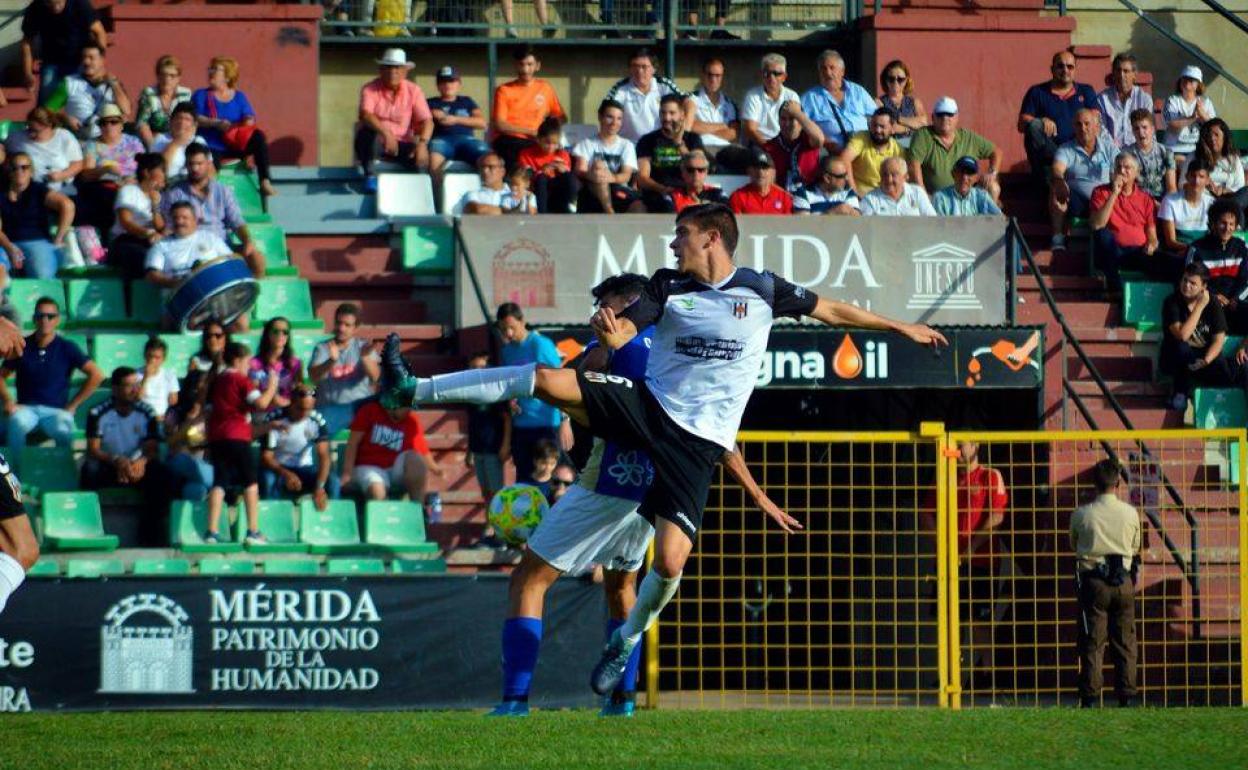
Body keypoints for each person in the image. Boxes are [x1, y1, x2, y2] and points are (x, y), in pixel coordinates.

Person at [375, 202, 947, 697]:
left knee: (671, 564)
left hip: (698, 447)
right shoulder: (668, 287)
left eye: (681, 234)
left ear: (711, 238)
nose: (672, 243)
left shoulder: (764, 289)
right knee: (547, 380)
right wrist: (615, 332)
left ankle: (623, 644)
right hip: (650, 409)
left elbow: (837, 311)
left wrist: (901, 327)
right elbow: (630, 325)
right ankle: (413, 388)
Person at [487, 272, 779, 718]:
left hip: (606, 483)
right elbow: (716, 438)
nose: (596, 313)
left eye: (604, 301)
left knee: (529, 579)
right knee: (623, 586)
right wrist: (757, 493)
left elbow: (576, 384)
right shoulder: (675, 356)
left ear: (631, 301)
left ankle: (514, 702)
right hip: (650, 495)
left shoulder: (614, 349)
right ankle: (621, 702)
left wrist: (573, 401)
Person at [1070, 458, 1141, 707]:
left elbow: (1074, 544)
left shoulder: (1081, 514)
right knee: (1125, 641)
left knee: (1093, 641)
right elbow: (1135, 546)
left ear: (1094, 483)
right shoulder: (1130, 513)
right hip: (1123, 580)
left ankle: (1090, 697)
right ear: (1118, 482)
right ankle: (1127, 697)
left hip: (1093, 581)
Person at [80, 366, 176, 546]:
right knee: (89, 469)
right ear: (115, 389)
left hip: (137, 466)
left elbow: (152, 448)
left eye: (137, 385)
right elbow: (93, 449)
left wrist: (141, 462)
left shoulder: (147, 412)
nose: (135, 389)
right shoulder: (98, 412)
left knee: (162, 474)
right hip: (110, 465)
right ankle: (87, 528)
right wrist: (117, 461)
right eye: (129, 385)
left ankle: (151, 538)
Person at [0, 297, 103, 459]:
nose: (45, 320)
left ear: (57, 320)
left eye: (50, 316)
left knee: (64, 426)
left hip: (56, 411)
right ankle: (14, 479)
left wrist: (73, 405)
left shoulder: (67, 348)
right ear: (34, 319)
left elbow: (97, 375)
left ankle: (65, 477)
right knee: (16, 423)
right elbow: (1, 376)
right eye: (40, 315)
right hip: (26, 410)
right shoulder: (23, 345)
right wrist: (8, 401)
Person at [204, 341, 276, 544]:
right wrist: (272, 386)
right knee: (250, 482)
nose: (249, 367)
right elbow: (261, 403)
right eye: (247, 362)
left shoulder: (216, 382)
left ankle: (212, 531)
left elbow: (208, 413)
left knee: (219, 482)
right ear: (237, 360)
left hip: (218, 438)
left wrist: (209, 441)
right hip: (238, 436)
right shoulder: (241, 380)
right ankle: (253, 531)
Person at [162, 145, 263, 276]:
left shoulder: (222, 191)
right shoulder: (175, 193)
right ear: (186, 165)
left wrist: (247, 241)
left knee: (256, 258)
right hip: (190, 249)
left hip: (222, 246)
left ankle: (253, 293)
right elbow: (169, 226)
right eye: (191, 164)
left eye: (199, 163)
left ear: (208, 164)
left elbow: (236, 221)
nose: (195, 168)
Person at [1160, 262, 1245, 410]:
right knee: (1182, 348)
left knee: (1236, 366)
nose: (1187, 285)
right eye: (1184, 280)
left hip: (1202, 358)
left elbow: (1219, 339)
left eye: (1193, 283)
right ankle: (1180, 392)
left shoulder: (1212, 302)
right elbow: (1182, 335)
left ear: (1204, 286)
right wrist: (1199, 307)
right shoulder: (1171, 301)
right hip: (1176, 358)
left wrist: (1206, 360)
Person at [496, 302, 564, 482]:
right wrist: (511, 400)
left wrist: (565, 421)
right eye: (504, 329)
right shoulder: (507, 351)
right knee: (524, 479)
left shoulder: (540, 344)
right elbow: (509, 386)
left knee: (547, 481)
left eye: (512, 327)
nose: (508, 333)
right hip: (521, 427)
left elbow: (560, 381)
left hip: (545, 425)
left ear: (522, 321)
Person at [192, 56, 276, 197]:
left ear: (227, 77)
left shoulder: (239, 96)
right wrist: (216, 123)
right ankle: (208, 194)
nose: (210, 72)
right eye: (210, 69)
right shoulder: (201, 95)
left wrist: (247, 120)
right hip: (212, 145)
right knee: (210, 163)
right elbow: (196, 118)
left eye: (215, 69)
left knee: (259, 137)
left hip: (235, 143)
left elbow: (249, 117)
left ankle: (264, 181)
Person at [354, 49, 433, 188]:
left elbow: (427, 121)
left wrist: (422, 144)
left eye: (397, 68)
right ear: (381, 70)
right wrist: (386, 133)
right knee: (365, 134)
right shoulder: (370, 88)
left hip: (403, 144)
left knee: (426, 155)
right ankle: (370, 175)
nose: (393, 72)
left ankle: (422, 192)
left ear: (405, 71)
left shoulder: (414, 90)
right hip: (377, 143)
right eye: (388, 67)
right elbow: (365, 114)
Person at [340, 398, 443, 503]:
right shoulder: (369, 411)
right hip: (368, 466)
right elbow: (352, 443)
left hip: (394, 468)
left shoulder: (412, 419)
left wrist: (435, 468)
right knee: (377, 490)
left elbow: (422, 449)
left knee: (415, 460)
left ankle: (418, 510)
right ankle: (383, 517)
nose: (408, 410)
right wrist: (347, 473)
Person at [1018, 50, 1098, 183]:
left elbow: (1096, 120)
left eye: (1070, 66)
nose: (1065, 70)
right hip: (1051, 153)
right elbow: (1021, 124)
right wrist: (1041, 120)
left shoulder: (1086, 91)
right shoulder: (1037, 92)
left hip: (1078, 151)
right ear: (1052, 69)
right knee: (1034, 126)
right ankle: (1052, 176)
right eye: (1060, 66)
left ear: (1075, 70)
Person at [907, 97, 1003, 203]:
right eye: (940, 114)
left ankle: (990, 219)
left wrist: (992, 173)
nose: (945, 118)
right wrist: (924, 197)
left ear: (957, 117)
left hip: (968, 196)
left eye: (949, 114)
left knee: (993, 188)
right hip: (935, 198)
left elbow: (996, 152)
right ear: (933, 117)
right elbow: (913, 166)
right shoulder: (923, 135)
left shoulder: (968, 137)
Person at [1090, 152, 1160, 292]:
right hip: (1113, 252)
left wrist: (1151, 245)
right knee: (1103, 234)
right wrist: (1114, 193)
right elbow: (1097, 224)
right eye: (1118, 167)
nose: (1122, 171)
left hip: (1138, 252)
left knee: (1166, 260)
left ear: (1136, 172)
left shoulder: (1146, 199)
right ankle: (1116, 288)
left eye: (1127, 167)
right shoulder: (1101, 192)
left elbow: (1152, 234)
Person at [260, 383, 337, 507]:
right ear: (292, 402)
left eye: (309, 409)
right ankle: (270, 517)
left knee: (333, 481)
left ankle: (331, 518)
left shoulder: (316, 420)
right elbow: (267, 457)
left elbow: (324, 456)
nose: (304, 413)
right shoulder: (275, 419)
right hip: (279, 467)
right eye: (300, 408)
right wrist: (286, 473)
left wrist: (320, 487)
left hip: (305, 467)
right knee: (268, 480)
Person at [308, 302, 380, 435]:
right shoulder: (323, 348)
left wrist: (365, 358)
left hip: (359, 409)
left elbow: (377, 378)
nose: (341, 328)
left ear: (356, 328)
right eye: (339, 323)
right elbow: (313, 377)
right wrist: (331, 361)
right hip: (329, 410)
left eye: (347, 325)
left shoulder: (363, 347)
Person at [0, 152, 75, 280]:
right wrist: (10, 248)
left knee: (42, 276)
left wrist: (59, 238)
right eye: (15, 168)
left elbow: (67, 205)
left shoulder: (38, 190)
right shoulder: (1, 193)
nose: (20, 171)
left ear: (31, 171)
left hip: (37, 241)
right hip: (6, 243)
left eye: (24, 167)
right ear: (9, 171)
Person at [1049, 108, 1115, 252]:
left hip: (1103, 202)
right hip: (1077, 201)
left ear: (1096, 127)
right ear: (1073, 127)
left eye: (1087, 124)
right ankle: (1058, 237)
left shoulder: (1110, 148)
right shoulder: (1066, 149)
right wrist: (1059, 181)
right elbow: (1057, 169)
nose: (1083, 128)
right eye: (1078, 124)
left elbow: (1118, 172)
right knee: (1056, 188)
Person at [491, 46, 565, 171]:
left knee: (562, 158)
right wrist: (531, 132)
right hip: (511, 139)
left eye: (530, 64)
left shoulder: (545, 88)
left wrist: (548, 130)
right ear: (515, 65)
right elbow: (500, 125)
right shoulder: (503, 90)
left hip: (539, 141)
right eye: (522, 64)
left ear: (537, 66)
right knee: (520, 166)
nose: (525, 70)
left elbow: (560, 116)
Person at [76, 103, 145, 234]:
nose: (109, 126)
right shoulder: (92, 145)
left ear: (121, 124)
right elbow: (85, 175)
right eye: (103, 123)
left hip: (132, 183)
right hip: (105, 187)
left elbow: (143, 166)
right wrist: (105, 169)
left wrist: (133, 181)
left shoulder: (133, 142)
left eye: (113, 122)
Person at [20, 0, 106, 104]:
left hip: (79, 62)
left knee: (80, 102)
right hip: (51, 62)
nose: (55, 8)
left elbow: (99, 32)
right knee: (46, 104)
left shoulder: (79, 4)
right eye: (50, 4)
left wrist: (99, 63)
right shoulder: (36, 8)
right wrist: (27, 72)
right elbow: (27, 43)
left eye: (58, 3)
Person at [603, 49, 696, 144]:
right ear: (629, 69)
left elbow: (689, 103)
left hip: (661, 143)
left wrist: (685, 133)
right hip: (630, 146)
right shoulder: (621, 89)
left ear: (654, 69)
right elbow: (605, 111)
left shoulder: (663, 85)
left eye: (644, 67)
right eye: (635, 66)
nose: (639, 71)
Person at [572, 100, 644, 215]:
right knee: (598, 166)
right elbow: (580, 170)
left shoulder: (627, 145)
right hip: (592, 190)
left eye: (619, 118)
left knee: (640, 207)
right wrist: (594, 174)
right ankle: (609, 212)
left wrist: (610, 178)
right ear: (600, 117)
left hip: (618, 189)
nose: (614, 123)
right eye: (610, 117)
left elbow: (626, 175)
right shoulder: (587, 143)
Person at [636, 95, 705, 213]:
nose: (667, 118)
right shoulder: (647, 140)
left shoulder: (692, 139)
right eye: (663, 113)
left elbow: (698, 165)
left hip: (688, 192)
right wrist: (663, 189)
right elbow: (642, 178)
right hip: (658, 194)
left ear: (682, 114)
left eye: (672, 113)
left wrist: (679, 144)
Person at [1187, 200, 1248, 332]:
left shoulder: (1241, 247)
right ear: (1213, 224)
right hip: (1206, 304)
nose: (1227, 228)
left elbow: (1245, 281)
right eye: (1223, 223)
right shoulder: (1197, 248)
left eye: (1232, 224)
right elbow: (1188, 282)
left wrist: (1235, 299)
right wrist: (1212, 296)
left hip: (1233, 305)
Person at [144, 200, 234, 290]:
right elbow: (152, 275)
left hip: (214, 291)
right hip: (179, 297)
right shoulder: (160, 245)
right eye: (175, 218)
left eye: (184, 218)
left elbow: (230, 261)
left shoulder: (210, 238)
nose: (179, 221)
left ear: (195, 220)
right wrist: (176, 283)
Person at [800, 50, 876, 154]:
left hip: (865, 150)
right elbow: (801, 128)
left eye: (832, 68)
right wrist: (825, 141)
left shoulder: (858, 91)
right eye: (823, 68)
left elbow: (876, 116)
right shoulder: (810, 98)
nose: (828, 72)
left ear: (842, 71)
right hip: (831, 152)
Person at [51, 43, 130, 140]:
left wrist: (114, 84)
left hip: (107, 142)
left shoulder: (113, 85)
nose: (86, 62)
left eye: (91, 58)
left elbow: (126, 111)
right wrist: (65, 117)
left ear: (102, 60)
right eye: (84, 58)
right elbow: (48, 109)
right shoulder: (69, 82)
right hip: (78, 140)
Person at [109, 152, 167, 281]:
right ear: (146, 172)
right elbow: (126, 222)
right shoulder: (129, 191)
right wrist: (148, 233)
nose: (164, 175)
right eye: (161, 171)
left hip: (150, 241)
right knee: (142, 256)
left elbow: (160, 227)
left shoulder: (159, 196)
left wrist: (155, 205)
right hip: (124, 241)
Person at [427, 65, 489, 180]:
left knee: (485, 154)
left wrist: (455, 119)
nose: (448, 85)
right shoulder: (431, 102)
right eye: (443, 82)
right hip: (441, 139)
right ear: (437, 85)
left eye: (451, 81)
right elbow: (421, 117)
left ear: (459, 84)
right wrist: (431, 112)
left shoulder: (467, 101)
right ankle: (436, 194)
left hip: (467, 140)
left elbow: (481, 123)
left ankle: (485, 190)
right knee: (434, 155)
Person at [465, 351, 510, 505]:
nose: (478, 371)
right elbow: (471, 422)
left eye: (482, 367)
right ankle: (489, 522)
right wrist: (469, 450)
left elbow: (506, 419)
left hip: (493, 449)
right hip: (477, 449)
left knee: (496, 490)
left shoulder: (496, 390)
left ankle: (498, 525)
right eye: (473, 368)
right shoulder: (469, 394)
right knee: (485, 492)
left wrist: (505, 445)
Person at [690, 58, 749, 173]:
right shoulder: (691, 100)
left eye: (718, 76)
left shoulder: (730, 104)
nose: (713, 79)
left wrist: (703, 132)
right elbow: (691, 127)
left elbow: (733, 134)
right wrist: (722, 126)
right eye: (710, 75)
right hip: (700, 152)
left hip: (725, 154)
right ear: (702, 76)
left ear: (722, 77)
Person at [5, 107, 83, 193]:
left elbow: (77, 164)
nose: (31, 134)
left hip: (60, 188)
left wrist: (62, 175)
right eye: (29, 129)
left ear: (49, 126)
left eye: (35, 131)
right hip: (29, 189)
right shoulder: (17, 138)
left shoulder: (64, 137)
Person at [1186, 118, 1248, 216]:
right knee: (1234, 211)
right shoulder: (1193, 157)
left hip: (1230, 201)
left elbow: (1240, 188)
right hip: (1205, 201)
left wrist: (1225, 191)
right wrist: (1204, 187)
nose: (1212, 138)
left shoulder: (1234, 159)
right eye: (1209, 135)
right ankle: (1232, 220)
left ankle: (1230, 217)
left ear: (1224, 138)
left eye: (1216, 135)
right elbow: (1182, 185)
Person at [517, 117, 576, 214]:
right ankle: (543, 213)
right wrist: (541, 170)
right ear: (539, 140)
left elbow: (568, 176)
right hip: (537, 188)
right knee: (542, 179)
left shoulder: (562, 154)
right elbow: (525, 177)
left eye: (554, 143)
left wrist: (563, 170)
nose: (551, 147)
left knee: (569, 177)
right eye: (547, 143)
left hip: (557, 189)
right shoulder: (526, 154)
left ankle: (569, 207)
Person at [741, 53, 800, 148]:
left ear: (784, 77)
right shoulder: (753, 96)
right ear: (761, 75)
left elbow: (796, 127)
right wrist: (770, 149)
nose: (771, 78)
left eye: (776, 74)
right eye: (767, 73)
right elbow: (750, 129)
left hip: (785, 146)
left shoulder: (792, 96)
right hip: (759, 145)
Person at [135, 54, 194, 149]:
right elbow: (142, 124)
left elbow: (190, 122)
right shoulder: (149, 94)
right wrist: (154, 147)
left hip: (179, 141)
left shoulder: (186, 94)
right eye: (163, 75)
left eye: (172, 76)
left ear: (179, 78)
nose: (167, 79)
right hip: (153, 141)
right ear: (157, 76)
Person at [764, 99, 824, 193]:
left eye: (792, 118)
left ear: (800, 120)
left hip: (811, 195)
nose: (787, 124)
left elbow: (819, 139)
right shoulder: (770, 146)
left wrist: (797, 112)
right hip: (783, 197)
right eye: (783, 119)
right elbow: (769, 181)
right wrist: (787, 198)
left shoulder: (809, 140)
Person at [841, 107, 901, 196]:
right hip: (861, 196)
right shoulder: (861, 137)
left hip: (886, 197)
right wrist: (854, 192)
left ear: (892, 128)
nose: (877, 130)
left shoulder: (898, 150)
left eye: (882, 126)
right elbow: (844, 159)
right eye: (874, 125)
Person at [1159, 160, 1214, 256]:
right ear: (1186, 177)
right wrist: (1192, 250)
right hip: (1178, 252)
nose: (1196, 181)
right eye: (1193, 176)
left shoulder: (1211, 203)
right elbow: (1171, 241)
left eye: (1201, 177)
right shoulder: (1170, 201)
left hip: (1202, 252)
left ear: (1207, 180)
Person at [1096, 53, 1153, 148]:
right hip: (1111, 151)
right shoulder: (1103, 99)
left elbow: (1149, 131)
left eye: (1126, 71)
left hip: (1138, 150)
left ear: (1134, 75)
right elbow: (1100, 130)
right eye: (1118, 71)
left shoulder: (1144, 99)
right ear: (1113, 74)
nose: (1121, 75)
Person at [250, 316, 303, 411]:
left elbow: (298, 390)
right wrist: (274, 398)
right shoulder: (254, 363)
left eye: (285, 332)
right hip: (262, 412)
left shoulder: (294, 363)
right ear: (268, 334)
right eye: (276, 331)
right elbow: (254, 392)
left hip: (288, 411)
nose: (280, 335)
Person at [1124, 108, 1177, 200]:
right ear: (1132, 131)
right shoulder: (1127, 154)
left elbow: (1171, 187)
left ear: (1152, 129)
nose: (1141, 132)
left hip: (1161, 201)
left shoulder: (1166, 152)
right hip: (1136, 201)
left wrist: (1167, 207)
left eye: (1144, 127)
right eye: (1136, 128)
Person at [1163, 65, 1215, 158]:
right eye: (1184, 79)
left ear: (1198, 84)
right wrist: (1192, 118)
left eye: (1191, 80)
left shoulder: (1206, 102)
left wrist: (1203, 115)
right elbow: (1172, 124)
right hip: (1175, 149)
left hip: (1198, 150)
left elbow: (1214, 127)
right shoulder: (1172, 101)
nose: (1187, 82)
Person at [860, 156, 937, 216]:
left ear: (905, 177)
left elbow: (931, 220)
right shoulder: (870, 199)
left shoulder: (917, 192)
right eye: (885, 175)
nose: (889, 180)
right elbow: (866, 229)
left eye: (894, 175)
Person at [151, 102, 208, 183]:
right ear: (171, 122)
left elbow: (210, 170)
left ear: (194, 125)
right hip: (168, 185)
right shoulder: (160, 139)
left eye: (187, 119)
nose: (182, 122)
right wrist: (177, 142)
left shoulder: (199, 140)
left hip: (194, 185)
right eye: (178, 118)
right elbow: (158, 171)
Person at [876, 60, 928, 145]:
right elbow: (890, 127)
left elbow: (923, 124)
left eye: (900, 79)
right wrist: (910, 126)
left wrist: (898, 119)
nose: (895, 83)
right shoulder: (879, 103)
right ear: (885, 80)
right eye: (891, 79)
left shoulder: (915, 102)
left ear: (906, 80)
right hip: (890, 145)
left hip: (914, 146)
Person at [933, 156, 1003, 216]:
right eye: (961, 172)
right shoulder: (940, 198)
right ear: (953, 174)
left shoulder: (982, 196)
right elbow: (937, 228)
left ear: (975, 178)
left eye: (969, 173)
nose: (964, 177)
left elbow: (999, 220)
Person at [728, 150, 793, 216]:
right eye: (756, 167)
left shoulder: (784, 198)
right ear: (748, 171)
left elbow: (788, 225)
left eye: (765, 168)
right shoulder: (738, 197)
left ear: (773, 172)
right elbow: (735, 224)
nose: (760, 172)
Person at [792, 155, 860, 216]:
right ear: (827, 178)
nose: (847, 178)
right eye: (842, 176)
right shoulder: (803, 194)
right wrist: (831, 213)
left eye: (846, 174)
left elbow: (857, 222)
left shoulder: (848, 192)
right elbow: (803, 226)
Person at [137, 336, 179, 421]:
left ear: (163, 359)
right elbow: (137, 398)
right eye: (150, 356)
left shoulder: (169, 375)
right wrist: (145, 377)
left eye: (157, 357)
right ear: (145, 355)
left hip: (162, 416)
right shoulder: (135, 374)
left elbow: (173, 401)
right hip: (142, 415)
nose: (152, 360)